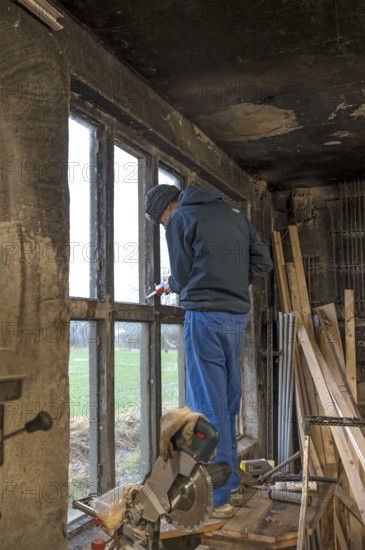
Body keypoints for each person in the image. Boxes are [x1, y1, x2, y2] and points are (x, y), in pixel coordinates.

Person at [145, 184, 273, 519]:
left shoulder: (180, 218)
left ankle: (218, 501)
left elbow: (185, 276)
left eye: (161, 221)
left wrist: (176, 283)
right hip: (235, 318)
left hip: (204, 317)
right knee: (227, 405)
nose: (164, 227)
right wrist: (227, 280)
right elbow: (263, 261)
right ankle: (230, 488)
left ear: (169, 208)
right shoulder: (234, 215)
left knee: (205, 406)